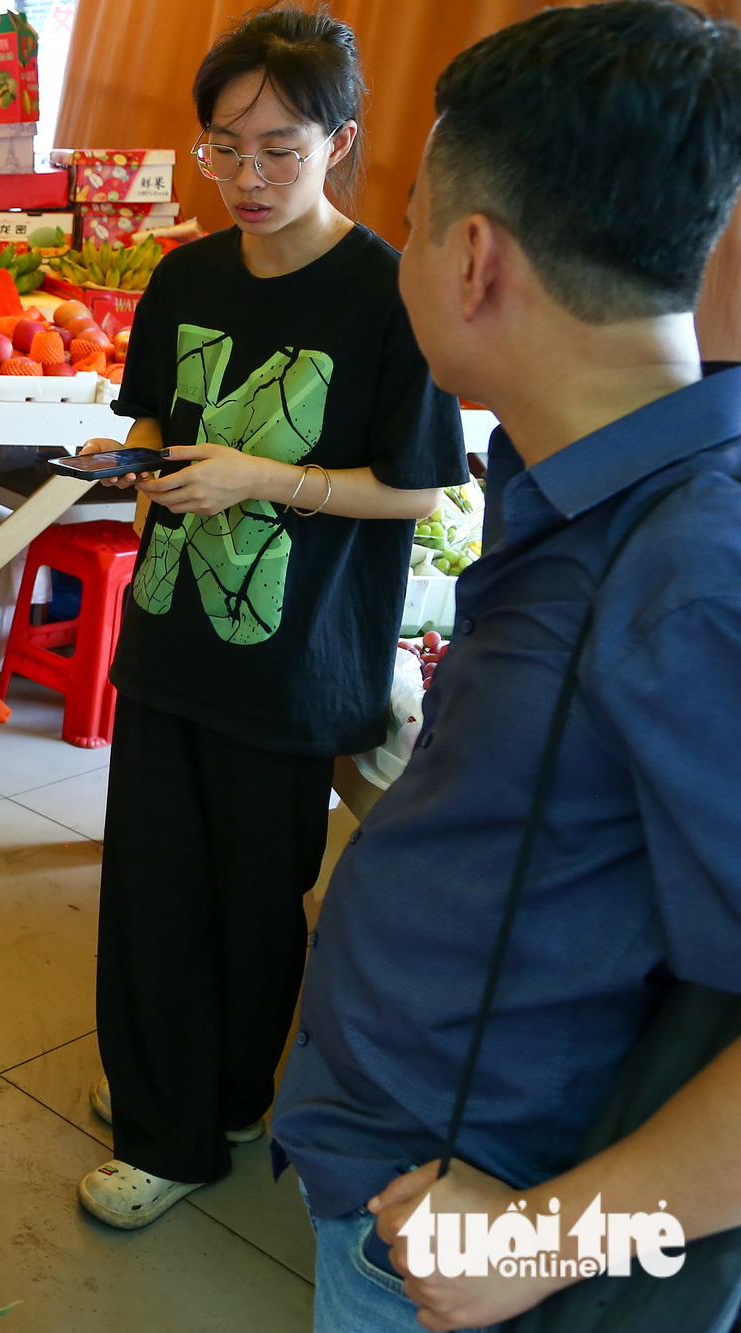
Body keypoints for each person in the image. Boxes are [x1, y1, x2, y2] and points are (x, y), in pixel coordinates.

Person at [270, 2, 741, 1329]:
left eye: (412, 218)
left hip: (473, 1236)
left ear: (470, 256)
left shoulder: (690, 577)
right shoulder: (580, 482)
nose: (403, 250)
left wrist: (543, 1242)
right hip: (396, 1170)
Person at [74, 5, 467, 1231]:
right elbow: (155, 421)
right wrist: (123, 459)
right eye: (222, 148)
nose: (246, 178)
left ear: (338, 142)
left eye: (279, 148)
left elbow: (420, 480)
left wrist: (265, 478)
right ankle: (163, 1130)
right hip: (171, 632)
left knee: (254, 900)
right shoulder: (184, 275)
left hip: (297, 662)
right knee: (149, 884)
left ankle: (226, 1096)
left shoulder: (386, 296)